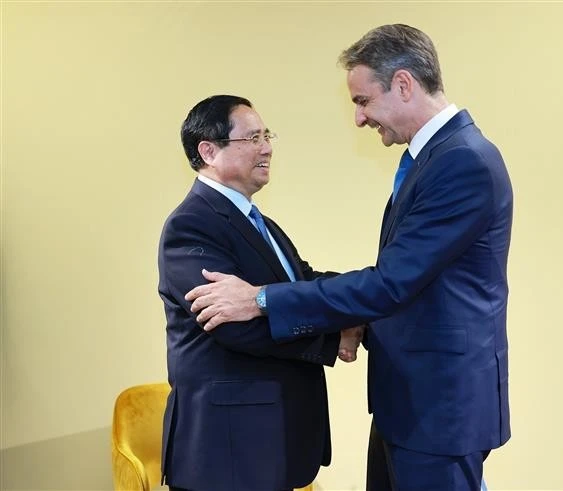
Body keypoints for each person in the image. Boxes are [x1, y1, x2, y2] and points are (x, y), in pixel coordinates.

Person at [185, 24, 513, 491]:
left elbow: (391, 283)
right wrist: (346, 322)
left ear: (403, 84)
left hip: (440, 407)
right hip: (414, 400)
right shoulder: (436, 159)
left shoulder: (462, 161)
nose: (359, 119)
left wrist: (260, 299)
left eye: (362, 101)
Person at [157, 94, 362, 491]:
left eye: (267, 136)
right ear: (208, 151)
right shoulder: (191, 226)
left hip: (267, 444)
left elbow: (303, 283)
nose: (267, 148)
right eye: (252, 138)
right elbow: (233, 327)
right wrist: (333, 337)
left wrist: (373, 292)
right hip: (228, 451)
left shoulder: (258, 221)